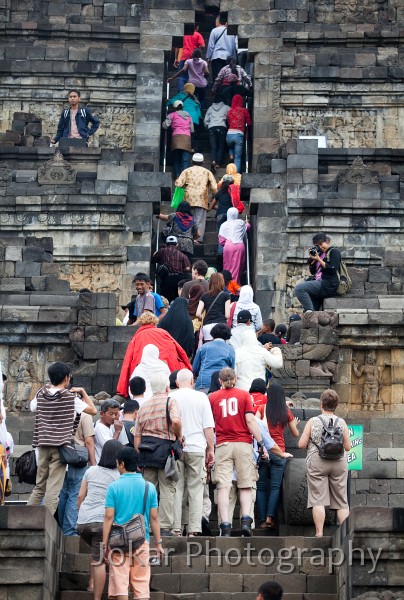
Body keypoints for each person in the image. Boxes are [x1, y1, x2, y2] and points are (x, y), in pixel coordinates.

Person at [27, 362, 97, 515]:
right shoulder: (70, 398)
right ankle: (45, 525)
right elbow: (93, 410)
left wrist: (43, 388)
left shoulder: (41, 394)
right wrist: (84, 393)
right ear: (67, 378)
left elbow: (32, 407)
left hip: (42, 445)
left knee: (39, 486)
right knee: (53, 488)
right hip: (60, 447)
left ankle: (25, 520)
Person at [209, 367, 269, 537]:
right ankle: (246, 521)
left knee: (224, 487)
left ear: (220, 381)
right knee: (245, 485)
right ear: (235, 379)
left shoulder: (212, 398)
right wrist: (260, 441)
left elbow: (210, 424)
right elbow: (250, 420)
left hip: (222, 445)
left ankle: (225, 526)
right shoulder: (244, 395)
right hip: (243, 443)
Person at [102, 447, 164, 600]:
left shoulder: (113, 487)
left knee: (120, 583)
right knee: (141, 584)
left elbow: (108, 517)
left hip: (118, 542)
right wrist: (159, 543)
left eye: (117, 463)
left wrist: (104, 544)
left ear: (122, 464)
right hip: (141, 540)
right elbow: (154, 518)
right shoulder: (149, 488)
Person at [134, 373, 183, 536]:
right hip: (165, 451)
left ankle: (147, 525)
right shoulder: (170, 401)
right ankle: (163, 526)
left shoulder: (144, 406)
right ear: (167, 388)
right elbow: (175, 421)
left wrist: (138, 454)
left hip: (146, 452)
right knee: (167, 488)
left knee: (148, 489)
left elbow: (137, 435)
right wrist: (179, 435)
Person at [298, 389, 351, 537]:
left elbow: (301, 444)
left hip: (317, 461)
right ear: (336, 405)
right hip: (339, 462)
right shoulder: (342, 422)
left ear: (321, 405)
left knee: (317, 499)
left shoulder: (313, 421)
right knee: (341, 501)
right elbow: (347, 447)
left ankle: (319, 534)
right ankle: (346, 536)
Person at [170, 369, 215, 536]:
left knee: (177, 488)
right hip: (197, 448)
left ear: (176, 382)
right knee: (196, 489)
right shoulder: (201, 397)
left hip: (176, 448)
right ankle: (194, 529)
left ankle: (176, 528)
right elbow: (208, 427)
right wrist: (211, 449)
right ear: (192, 381)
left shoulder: (171, 397)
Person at [76, 439, 122, 600]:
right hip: (101, 522)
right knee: (100, 561)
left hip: (83, 522)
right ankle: (96, 597)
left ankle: (91, 583)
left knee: (95, 551)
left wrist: (81, 513)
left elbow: (81, 496)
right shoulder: (119, 476)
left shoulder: (91, 470)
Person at [117, 312, 192, 396]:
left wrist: (122, 388)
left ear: (141, 322)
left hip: (142, 372)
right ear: (155, 322)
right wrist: (188, 365)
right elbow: (180, 350)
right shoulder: (163, 333)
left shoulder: (137, 337)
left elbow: (127, 361)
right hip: (165, 366)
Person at [257, 383, 299, 529]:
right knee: (275, 487)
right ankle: (270, 517)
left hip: (264, 451)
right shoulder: (286, 412)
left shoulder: (262, 409)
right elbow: (296, 434)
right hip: (279, 451)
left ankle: (262, 520)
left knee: (261, 487)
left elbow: (254, 427)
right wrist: (295, 424)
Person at [57, 411, 96, 536]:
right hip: (78, 459)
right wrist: (93, 463)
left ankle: (62, 528)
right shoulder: (84, 416)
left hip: (62, 457)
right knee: (75, 495)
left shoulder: (60, 413)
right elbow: (89, 441)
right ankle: (70, 530)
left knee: (63, 495)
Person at [175, 153, 217, 243]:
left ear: (192, 161)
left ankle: (187, 237)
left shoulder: (186, 171)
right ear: (202, 162)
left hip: (188, 199)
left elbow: (178, 184)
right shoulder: (207, 172)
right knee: (199, 220)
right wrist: (214, 197)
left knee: (187, 218)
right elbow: (214, 188)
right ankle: (198, 239)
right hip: (202, 199)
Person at [294, 232, 341, 313]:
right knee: (309, 310)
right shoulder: (319, 254)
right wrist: (313, 261)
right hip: (319, 282)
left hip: (328, 284)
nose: (319, 247)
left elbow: (333, 269)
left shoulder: (334, 251)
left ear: (327, 241)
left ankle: (310, 311)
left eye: (320, 244)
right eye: (317, 245)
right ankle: (310, 313)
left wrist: (319, 259)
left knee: (299, 289)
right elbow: (313, 272)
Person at [235, 326, 283, 391]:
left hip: (242, 389)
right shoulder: (262, 351)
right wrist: (276, 350)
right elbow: (278, 363)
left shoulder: (237, 352)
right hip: (259, 389)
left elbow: (234, 373)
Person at [192, 323, 235, 393]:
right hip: (221, 384)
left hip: (203, 384)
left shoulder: (203, 347)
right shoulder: (230, 349)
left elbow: (194, 369)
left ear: (212, 334)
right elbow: (231, 369)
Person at [153, 236, 191, 302]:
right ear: (177, 244)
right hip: (179, 278)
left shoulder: (162, 251)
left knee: (166, 299)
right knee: (178, 298)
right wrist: (179, 269)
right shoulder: (182, 255)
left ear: (165, 244)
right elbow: (187, 268)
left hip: (167, 279)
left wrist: (155, 255)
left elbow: (153, 260)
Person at [162, 100, 194, 179]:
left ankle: (177, 175)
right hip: (187, 138)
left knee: (176, 158)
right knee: (185, 159)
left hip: (176, 138)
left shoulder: (172, 115)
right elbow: (192, 129)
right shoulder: (188, 116)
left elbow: (165, 125)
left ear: (174, 107)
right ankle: (185, 178)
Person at [196, 272, 231, 342]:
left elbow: (197, 313)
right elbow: (227, 315)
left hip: (207, 326)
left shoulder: (204, 296)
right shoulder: (226, 295)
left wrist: (201, 318)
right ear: (222, 282)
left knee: (209, 348)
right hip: (221, 327)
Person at [219, 207, 250, 285]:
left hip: (228, 247)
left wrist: (228, 244)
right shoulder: (241, 222)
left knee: (228, 267)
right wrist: (247, 222)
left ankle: (228, 286)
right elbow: (248, 227)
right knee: (238, 267)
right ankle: (236, 286)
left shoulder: (223, 225)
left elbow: (221, 241)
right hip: (239, 246)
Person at [206, 14, 238, 83]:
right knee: (227, 77)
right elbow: (233, 47)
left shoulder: (214, 30)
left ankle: (217, 92)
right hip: (228, 58)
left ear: (218, 22)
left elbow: (211, 46)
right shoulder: (231, 32)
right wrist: (234, 59)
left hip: (216, 57)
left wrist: (208, 58)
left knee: (217, 77)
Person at [173, 25, 205, 90]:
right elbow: (203, 46)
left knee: (181, 76)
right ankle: (190, 92)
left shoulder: (183, 35)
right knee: (193, 75)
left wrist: (176, 58)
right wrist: (197, 50)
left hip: (184, 57)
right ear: (197, 27)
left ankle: (181, 91)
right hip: (194, 58)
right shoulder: (197, 34)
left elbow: (177, 47)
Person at [94, 399, 126, 463]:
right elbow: (110, 448)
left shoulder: (113, 425)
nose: (114, 417)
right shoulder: (99, 427)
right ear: (102, 414)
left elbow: (123, 446)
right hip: (104, 466)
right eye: (111, 414)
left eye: (116, 414)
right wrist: (117, 431)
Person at [204, 94, 230, 172]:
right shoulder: (226, 107)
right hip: (222, 127)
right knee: (221, 146)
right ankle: (218, 163)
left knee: (213, 146)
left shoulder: (210, 108)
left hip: (212, 127)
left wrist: (207, 126)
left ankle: (213, 161)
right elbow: (231, 116)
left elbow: (206, 120)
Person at [226, 94, 251, 173]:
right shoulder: (244, 110)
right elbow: (249, 122)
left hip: (229, 134)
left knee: (231, 146)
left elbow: (228, 122)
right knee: (238, 158)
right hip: (239, 135)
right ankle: (235, 175)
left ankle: (231, 154)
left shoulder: (230, 111)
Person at [210, 175, 234, 257]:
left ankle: (220, 252)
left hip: (220, 214)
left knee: (221, 234)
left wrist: (219, 208)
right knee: (231, 234)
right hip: (231, 215)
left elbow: (212, 206)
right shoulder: (233, 192)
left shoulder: (219, 192)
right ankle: (230, 253)